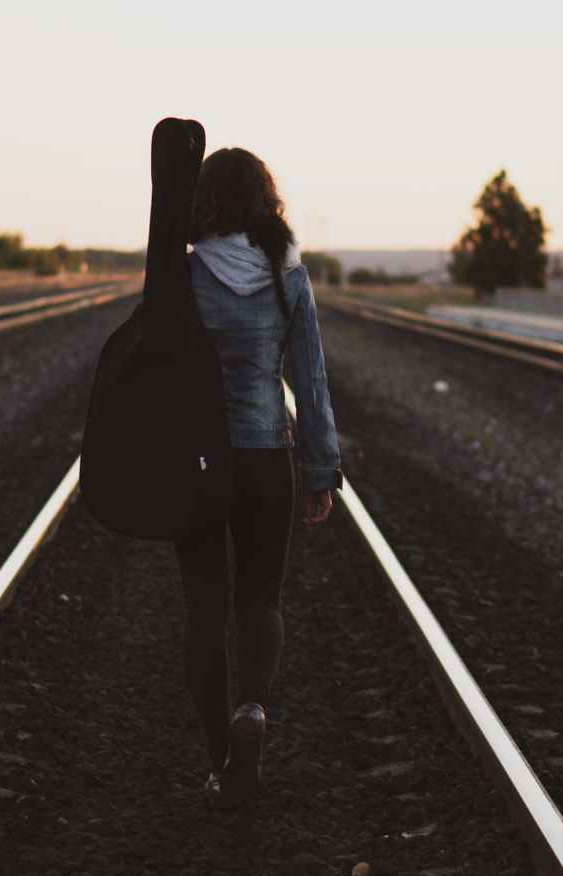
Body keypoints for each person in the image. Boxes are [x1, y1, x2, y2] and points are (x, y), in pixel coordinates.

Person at [174, 146, 343, 808]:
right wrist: (320, 469)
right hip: (266, 457)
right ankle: (252, 707)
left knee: (203, 610)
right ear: (264, 200)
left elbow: (154, 363)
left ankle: (219, 759)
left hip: (197, 463)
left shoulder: (184, 273)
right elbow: (311, 380)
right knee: (259, 600)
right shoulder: (287, 273)